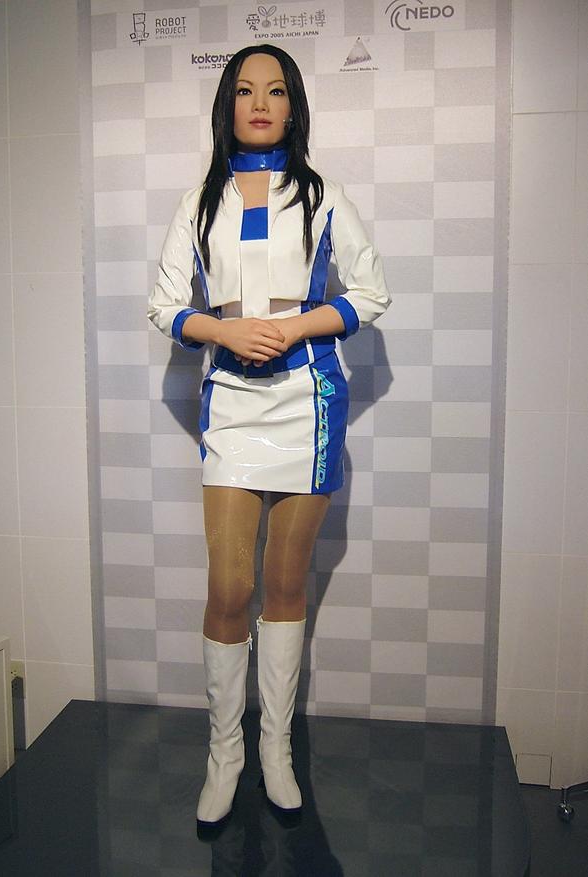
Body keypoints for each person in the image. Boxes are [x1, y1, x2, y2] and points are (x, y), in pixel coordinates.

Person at [147, 44, 391, 824]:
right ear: (227, 104)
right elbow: (163, 305)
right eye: (246, 90)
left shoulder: (322, 195)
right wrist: (220, 331)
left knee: (285, 586)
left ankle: (275, 750)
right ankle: (224, 755)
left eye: (276, 90)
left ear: (293, 106)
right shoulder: (198, 202)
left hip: (307, 404)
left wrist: (291, 328)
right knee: (228, 587)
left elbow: (370, 292)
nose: (260, 103)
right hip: (231, 407)